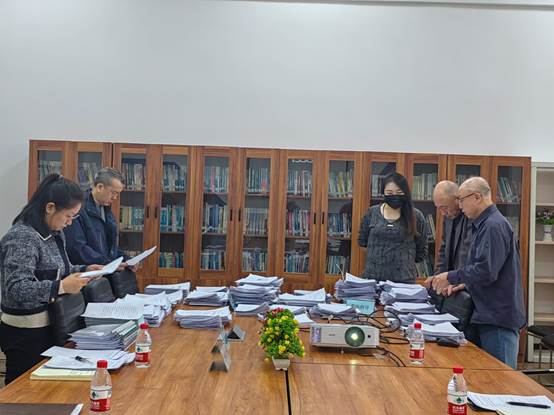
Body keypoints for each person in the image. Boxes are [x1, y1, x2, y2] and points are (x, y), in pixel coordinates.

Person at [0, 174, 103, 384]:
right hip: (25, 331)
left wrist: (84, 270)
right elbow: (16, 288)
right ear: (50, 208)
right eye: (68, 216)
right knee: (23, 389)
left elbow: (58, 269)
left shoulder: (54, 232)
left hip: (52, 323)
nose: (70, 222)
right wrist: (61, 286)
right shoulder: (22, 236)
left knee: (49, 387)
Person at [427, 177, 526, 369]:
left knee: (500, 378)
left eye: (462, 200)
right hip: (484, 313)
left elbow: (486, 271)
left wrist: (450, 277)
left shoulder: (493, 226)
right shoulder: (483, 224)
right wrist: (463, 283)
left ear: (478, 197)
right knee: (482, 376)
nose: (460, 205)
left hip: (497, 317)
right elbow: (482, 267)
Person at [358, 172, 428, 283]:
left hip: (404, 280)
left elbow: (421, 249)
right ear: (383, 193)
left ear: (406, 192)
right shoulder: (372, 213)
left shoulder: (416, 216)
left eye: (399, 193)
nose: (394, 196)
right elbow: (362, 241)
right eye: (389, 193)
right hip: (372, 278)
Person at [64, 167, 127, 266]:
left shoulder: (105, 208)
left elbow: (110, 246)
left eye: (118, 194)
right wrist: (107, 263)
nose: (115, 197)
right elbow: (77, 247)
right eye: (113, 193)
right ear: (100, 187)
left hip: (103, 269)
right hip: (87, 271)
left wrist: (125, 259)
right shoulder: (78, 208)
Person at [432, 180, 473, 296]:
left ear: (457, 199)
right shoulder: (448, 217)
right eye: (439, 208)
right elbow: (443, 250)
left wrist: (454, 279)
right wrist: (438, 278)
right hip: (451, 283)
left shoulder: (471, 216)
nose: (442, 213)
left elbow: (467, 254)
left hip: (465, 284)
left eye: (444, 207)